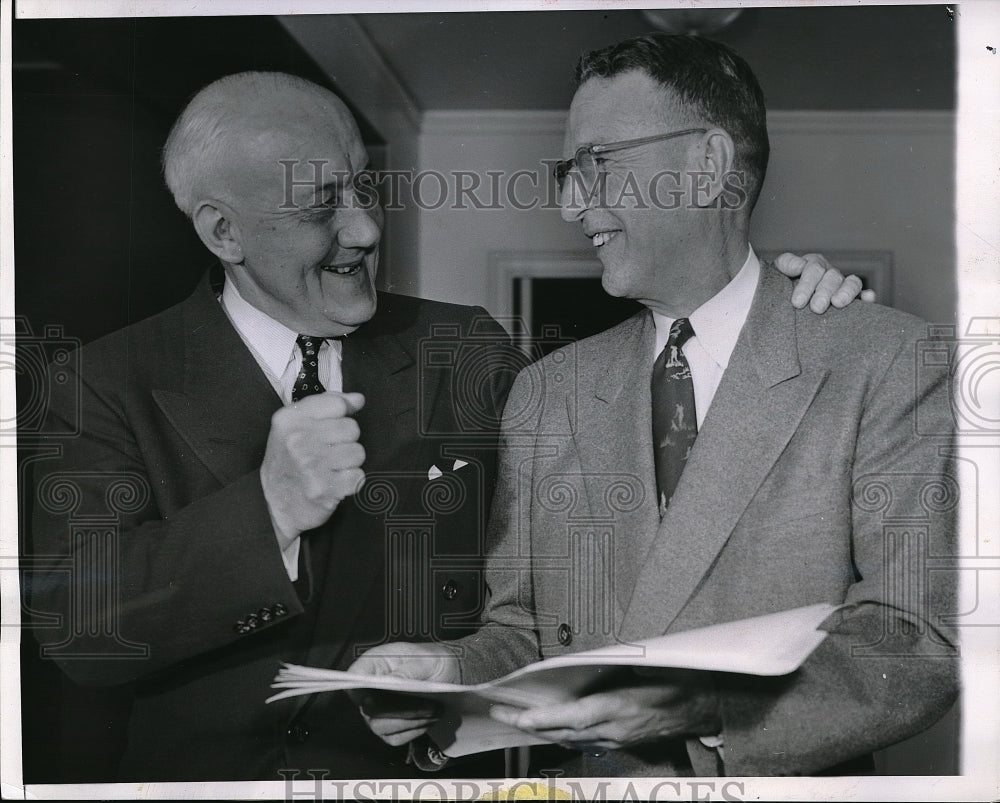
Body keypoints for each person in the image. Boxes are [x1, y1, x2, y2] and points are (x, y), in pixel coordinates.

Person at [25, 69, 866, 782]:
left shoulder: (459, 347)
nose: (363, 227)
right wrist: (269, 510)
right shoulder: (99, 381)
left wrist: (778, 316)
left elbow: (635, 475)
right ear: (222, 230)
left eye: (364, 188)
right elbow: (78, 635)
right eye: (323, 204)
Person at [351, 35, 959, 778]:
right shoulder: (548, 390)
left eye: (596, 164)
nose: (572, 205)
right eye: (567, 174)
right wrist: (449, 672)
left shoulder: (883, 358)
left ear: (706, 166)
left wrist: (709, 708)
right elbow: (523, 630)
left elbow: (915, 640)